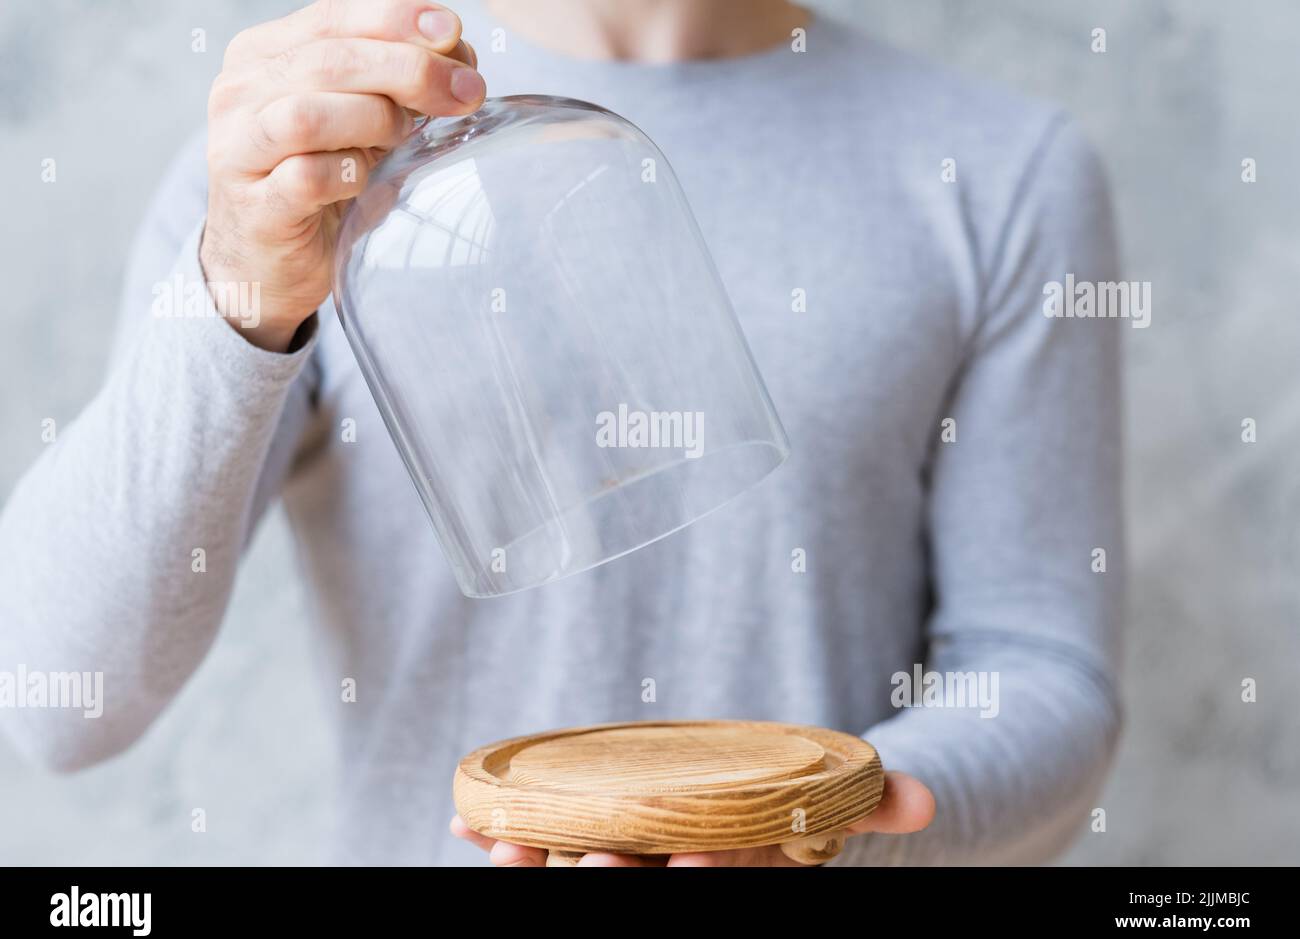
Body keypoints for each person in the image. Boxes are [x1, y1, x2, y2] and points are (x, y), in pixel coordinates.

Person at [0, 0, 1122, 866]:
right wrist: (241, 288)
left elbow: (1037, 668)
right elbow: (57, 698)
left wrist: (819, 827)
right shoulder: (303, 162)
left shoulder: (996, 167)